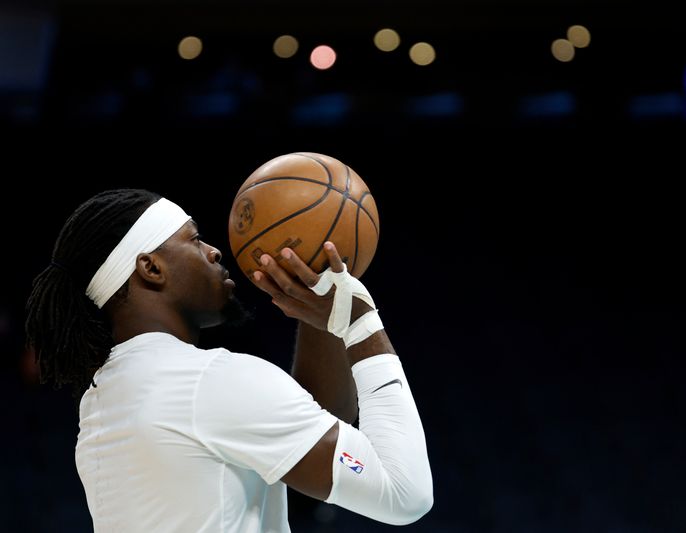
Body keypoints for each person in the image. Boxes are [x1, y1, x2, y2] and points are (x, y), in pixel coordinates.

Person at [25, 188, 433, 532]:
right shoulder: (208, 383)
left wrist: (324, 319)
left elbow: (303, 425)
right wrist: (361, 323)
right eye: (194, 239)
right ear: (150, 267)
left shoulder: (104, 397)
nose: (214, 251)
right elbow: (404, 493)